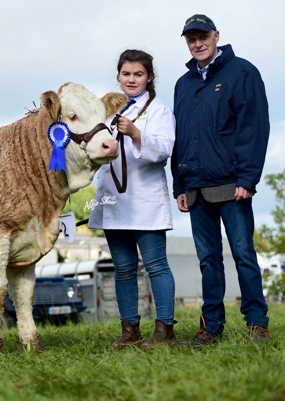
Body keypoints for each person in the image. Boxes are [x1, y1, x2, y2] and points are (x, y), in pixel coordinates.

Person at [171, 14, 270, 345]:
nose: (197, 43)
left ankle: (257, 324)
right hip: (195, 187)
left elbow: (254, 128)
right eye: (191, 39)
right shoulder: (183, 85)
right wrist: (179, 185)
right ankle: (210, 327)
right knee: (207, 261)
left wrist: (248, 177)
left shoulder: (243, 72)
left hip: (232, 185)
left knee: (243, 254)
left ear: (216, 36)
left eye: (202, 36)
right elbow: (179, 138)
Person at [89, 49, 177, 349]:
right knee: (123, 267)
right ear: (118, 76)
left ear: (149, 77)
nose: (131, 79)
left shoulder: (159, 110)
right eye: (126, 74)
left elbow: (165, 148)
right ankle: (130, 330)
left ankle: (165, 330)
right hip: (113, 199)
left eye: (138, 74)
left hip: (145, 199)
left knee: (156, 266)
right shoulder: (108, 110)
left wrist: (137, 133)